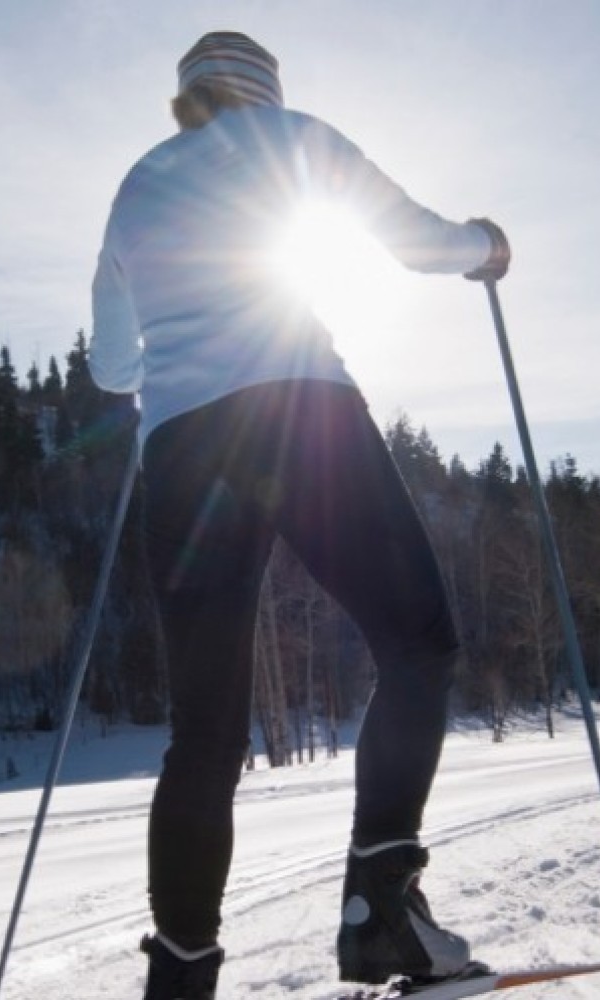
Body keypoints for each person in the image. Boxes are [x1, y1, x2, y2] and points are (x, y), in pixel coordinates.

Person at [89, 30, 510, 1000]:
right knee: (416, 642)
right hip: (301, 410)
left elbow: (115, 366)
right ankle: (380, 913)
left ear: (187, 100)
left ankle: (181, 977)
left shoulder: (136, 186)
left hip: (185, 450)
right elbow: (411, 239)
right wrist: (483, 247)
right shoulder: (294, 140)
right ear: (264, 92)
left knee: (205, 732)